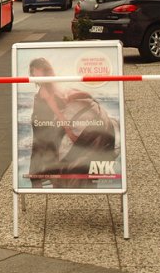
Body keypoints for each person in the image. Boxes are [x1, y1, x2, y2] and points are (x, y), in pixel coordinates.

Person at [27, 57, 117, 189]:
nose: (34, 74)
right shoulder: (51, 86)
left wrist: (70, 132)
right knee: (46, 159)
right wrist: (88, 96)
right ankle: (47, 185)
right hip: (43, 125)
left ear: (43, 70)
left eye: (36, 70)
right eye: (32, 71)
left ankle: (41, 188)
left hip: (45, 127)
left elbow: (59, 113)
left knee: (42, 161)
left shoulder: (46, 89)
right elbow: (69, 97)